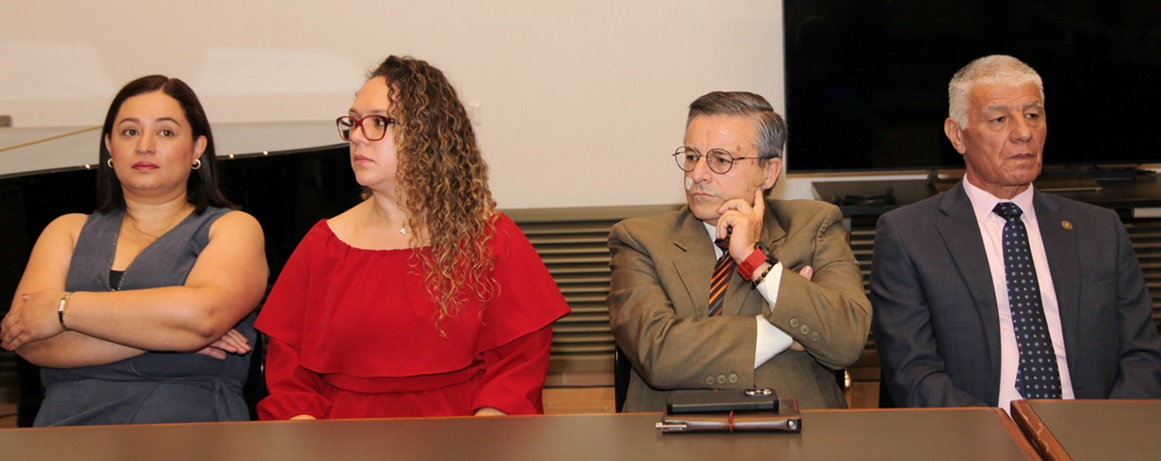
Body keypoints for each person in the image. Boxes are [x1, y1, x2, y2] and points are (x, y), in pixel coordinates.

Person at [255, 56, 571, 420]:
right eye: (354, 122)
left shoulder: (489, 239)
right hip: (343, 442)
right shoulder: (323, 244)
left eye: (376, 123)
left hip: (466, 439)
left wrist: (481, 442)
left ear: (427, 136)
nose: (357, 136)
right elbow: (290, 380)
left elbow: (517, 371)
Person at [871, 55, 1161, 411]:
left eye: (1033, 115)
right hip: (976, 435)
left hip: (1094, 432)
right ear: (956, 135)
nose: (1023, 132)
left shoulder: (1100, 229)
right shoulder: (909, 234)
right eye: (999, 118)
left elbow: (1143, 355)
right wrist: (998, 438)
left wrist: (1106, 430)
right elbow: (913, 373)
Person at [0, 75, 268, 426]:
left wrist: (62, 308)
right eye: (129, 132)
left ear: (197, 148)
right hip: (67, 428)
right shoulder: (66, 231)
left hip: (188, 427)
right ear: (110, 145)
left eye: (166, 132)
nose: (145, 146)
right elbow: (28, 341)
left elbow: (201, 319)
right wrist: (168, 336)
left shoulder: (233, 227)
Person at [608, 91, 872, 411]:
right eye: (692, 156)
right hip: (675, 434)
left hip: (798, 431)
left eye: (721, 159)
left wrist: (754, 259)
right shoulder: (639, 240)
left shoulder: (814, 225)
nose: (697, 175)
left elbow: (845, 339)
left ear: (769, 171)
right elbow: (659, 353)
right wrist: (785, 330)